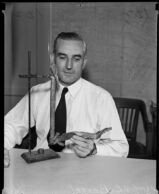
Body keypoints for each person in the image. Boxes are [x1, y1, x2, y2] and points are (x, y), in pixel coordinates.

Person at [4, 32, 129, 167]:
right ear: (53, 59)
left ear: (84, 62)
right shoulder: (37, 92)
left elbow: (121, 148)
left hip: (83, 173)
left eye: (76, 59)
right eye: (63, 57)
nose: (69, 66)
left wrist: (94, 149)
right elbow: (11, 125)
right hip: (40, 169)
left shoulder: (102, 98)